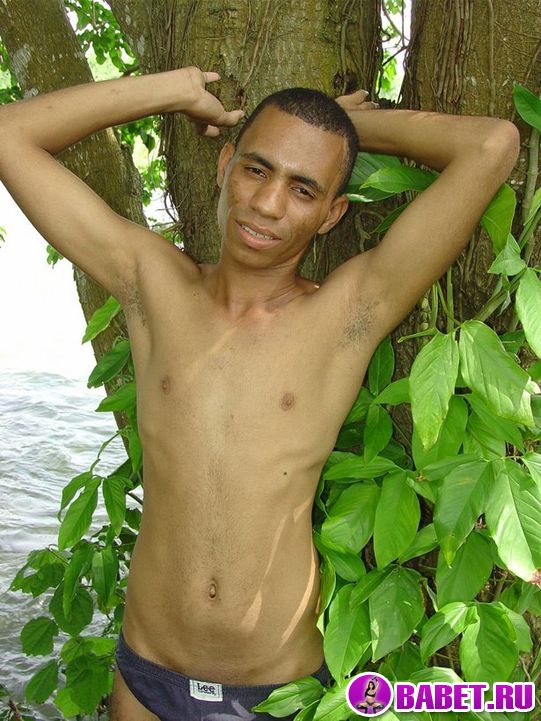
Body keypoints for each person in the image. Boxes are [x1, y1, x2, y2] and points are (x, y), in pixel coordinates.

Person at [0, 66, 519, 721]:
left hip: (272, 691)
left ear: (331, 214)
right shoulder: (151, 286)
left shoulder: (346, 315)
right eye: (256, 169)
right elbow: (9, 135)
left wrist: (342, 128)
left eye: (303, 188)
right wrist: (174, 92)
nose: (269, 204)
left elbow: (491, 145)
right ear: (225, 166)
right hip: (146, 676)